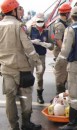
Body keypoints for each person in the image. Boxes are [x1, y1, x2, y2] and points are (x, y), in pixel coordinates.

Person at [0, 0, 42, 130]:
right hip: (22, 70)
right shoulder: (19, 26)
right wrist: (38, 62)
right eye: (17, 9)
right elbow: (28, 47)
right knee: (25, 97)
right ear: (13, 11)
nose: (19, 11)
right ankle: (26, 124)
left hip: (6, 69)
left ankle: (14, 126)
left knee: (10, 100)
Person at [27, 13, 53, 104]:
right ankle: (27, 94)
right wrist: (32, 41)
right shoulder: (30, 29)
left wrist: (47, 45)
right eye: (38, 21)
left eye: (41, 21)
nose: (40, 23)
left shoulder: (47, 31)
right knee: (29, 75)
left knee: (40, 76)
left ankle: (39, 95)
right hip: (31, 55)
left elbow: (52, 46)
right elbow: (24, 41)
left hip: (41, 56)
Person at [53, 3, 72, 95]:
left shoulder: (65, 23)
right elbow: (58, 40)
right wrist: (65, 50)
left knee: (64, 75)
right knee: (61, 76)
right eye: (69, 12)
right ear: (66, 13)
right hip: (61, 53)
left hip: (64, 53)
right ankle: (59, 96)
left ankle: (61, 94)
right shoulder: (60, 25)